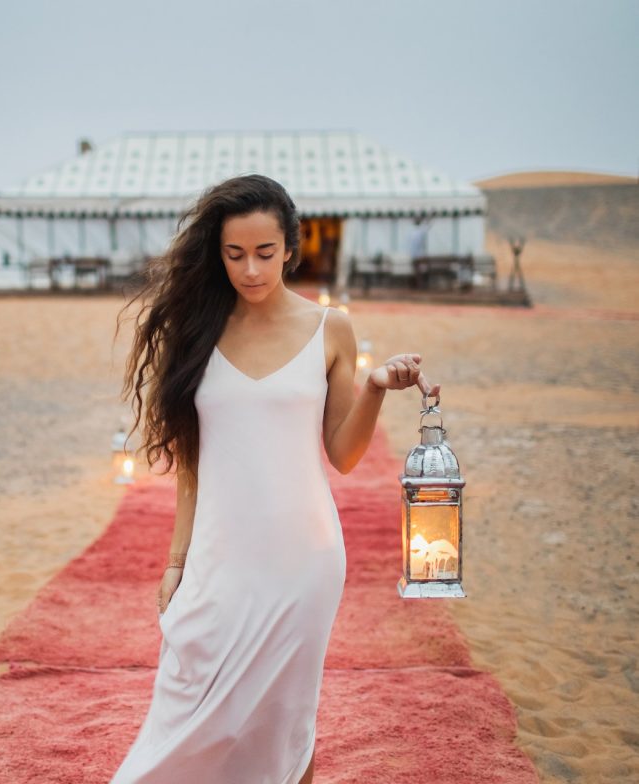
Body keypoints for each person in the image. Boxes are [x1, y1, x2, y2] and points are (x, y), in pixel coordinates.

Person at [112, 174, 440, 783]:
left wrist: (373, 390)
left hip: (303, 559)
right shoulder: (196, 331)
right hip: (219, 557)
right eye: (234, 254)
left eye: (265, 253)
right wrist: (176, 561)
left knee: (286, 719)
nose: (251, 270)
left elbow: (342, 454)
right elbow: (190, 462)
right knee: (186, 706)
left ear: (291, 247)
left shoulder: (329, 328)